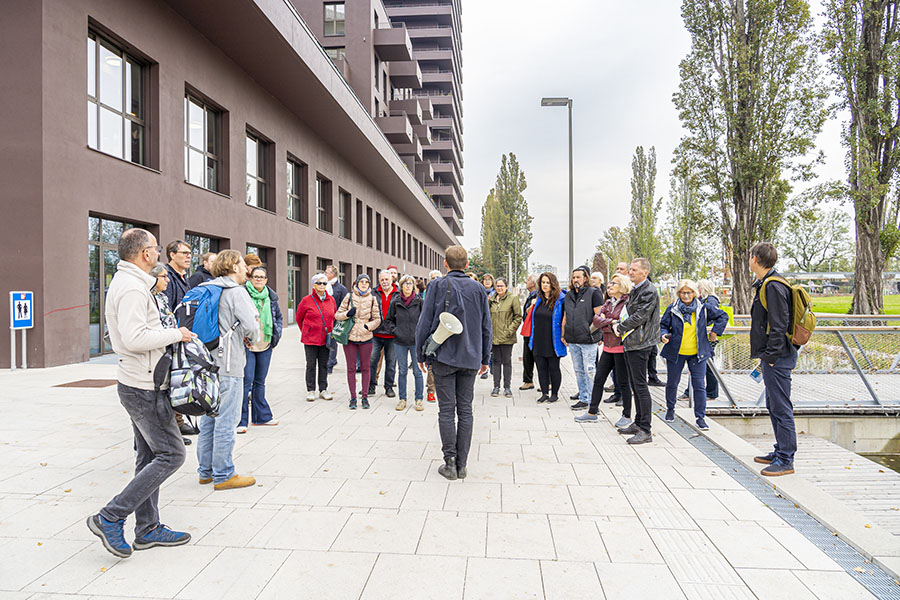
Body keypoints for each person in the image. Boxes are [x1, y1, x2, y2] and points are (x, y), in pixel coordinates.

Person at [88, 229, 193, 559]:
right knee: (172, 455)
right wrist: (176, 333)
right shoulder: (133, 287)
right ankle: (111, 516)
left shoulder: (134, 283)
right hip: (144, 386)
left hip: (141, 381)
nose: (159, 254)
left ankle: (147, 529)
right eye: (157, 249)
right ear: (145, 254)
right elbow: (134, 338)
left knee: (149, 457)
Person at [416, 245, 491, 481]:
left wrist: (420, 354)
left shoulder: (437, 285)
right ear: (467, 265)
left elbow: (424, 322)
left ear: (445, 264)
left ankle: (449, 462)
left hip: (443, 357)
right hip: (470, 358)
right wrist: (485, 358)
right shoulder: (479, 289)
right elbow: (486, 327)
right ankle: (463, 464)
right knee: (466, 409)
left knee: (446, 410)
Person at [196, 250, 261, 490]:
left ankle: (205, 471)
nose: (247, 269)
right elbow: (252, 327)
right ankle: (224, 474)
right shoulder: (236, 292)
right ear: (233, 266)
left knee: (209, 418)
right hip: (229, 363)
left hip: (206, 362)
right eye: (243, 264)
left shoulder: (208, 288)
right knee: (227, 419)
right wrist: (252, 337)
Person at [749, 242, 799, 476]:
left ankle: (786, 459)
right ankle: (780, 451)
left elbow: (779, 325)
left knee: (780, 406)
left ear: (755, 259)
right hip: (772, 356)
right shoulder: (765, 283)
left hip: (778, 357)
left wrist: (770, 356)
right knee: (773, 404)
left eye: (750, 256)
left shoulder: (774, 286)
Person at [659, 279, 729, 431]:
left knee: (699, 386)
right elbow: (663, 325)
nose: (686, 295)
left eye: (689, 292)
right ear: (679, 294)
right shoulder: (672, 309)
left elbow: (723, 316)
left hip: (697, 353)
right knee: (672, 383)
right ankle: (670, 410)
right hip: (676, 353)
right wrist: (663, 335)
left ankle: (700, 417)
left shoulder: (703, 308)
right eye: (683, 293)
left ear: (694, 293)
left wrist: (715, 332)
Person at [575, 273, 633, 428]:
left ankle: (627, 416)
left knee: (623, 383)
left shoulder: (627, 303)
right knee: (599, 379)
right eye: (610, 283)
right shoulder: (608, 302)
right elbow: (596, 320)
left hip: (621, 348)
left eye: (614, 283)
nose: (610, 286)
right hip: (608, 347)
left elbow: (624, 323)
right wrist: (612, 322)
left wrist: (611, 323)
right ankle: (592, 412)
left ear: (623, 286)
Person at [613, 258, 660, 445]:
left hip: (641, 343)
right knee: (635, 384)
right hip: (631, 342)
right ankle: (638, 422)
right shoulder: (636, 289)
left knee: (640, 386)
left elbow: (640, 316)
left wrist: (620, 326)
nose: (630, 272)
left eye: (634, 270)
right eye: (630, 269)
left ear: (645, 272)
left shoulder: (648, 290)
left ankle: (646, 430)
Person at [148, 264, 192, 446]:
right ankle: (162, 437)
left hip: (171, 347)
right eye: (163, 276)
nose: (167, 280)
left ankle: (176, 428)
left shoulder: (162, 297)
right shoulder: (147, 298)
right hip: (157, 354)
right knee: (159, 399)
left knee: (171, 391)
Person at [238, 266, 283, 433]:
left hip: (265, 344)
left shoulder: (270, 297)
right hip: (248, 345)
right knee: (246, 382)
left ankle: (261, 417)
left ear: (266, 280)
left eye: (261, 277)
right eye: (255, 276)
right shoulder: (243, 294)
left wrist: (276, 333)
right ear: (250, 278)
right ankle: (241, 421)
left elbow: (278, 316)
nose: (258, 279)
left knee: (260, 381)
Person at [335, 273, 381, 409]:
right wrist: (347, 314)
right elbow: (337, 315)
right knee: (351, 368)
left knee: (366, 368)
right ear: (356, 283)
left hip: (366, 337)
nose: (364, 284)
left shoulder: (373, 299)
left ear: (369, 285)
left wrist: (368, 326)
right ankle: (353, 397)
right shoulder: (349, 297)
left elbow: (377, 319)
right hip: (350, 337)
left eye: (367, 282)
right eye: (362, 281)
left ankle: (365, 397)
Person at [563, 266, 604, 410]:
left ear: (585, 278)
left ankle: (593, 401)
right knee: (578, 370)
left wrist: (591, 332)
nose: (575, 280)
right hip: (573, 339)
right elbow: (565, 316)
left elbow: (600, 317)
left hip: (588, 340)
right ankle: (583, 397)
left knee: (589, 370)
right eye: (573, 277)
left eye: (578, 277)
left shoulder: (594, 293)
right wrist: (564, 334)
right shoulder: (568, 295)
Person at [679, 279, 722, 403]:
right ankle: (692, 392)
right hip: (701, 337)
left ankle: (710, 392)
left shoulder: (711, 300)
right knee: (703, 365)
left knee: (707, 365)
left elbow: (715, 317)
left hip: (706, 337)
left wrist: (714, 331)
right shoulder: (702, 300)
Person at [386, 275, 424, 411]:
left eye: (410, 284)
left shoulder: (419, 301)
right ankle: (402, 399)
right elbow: (388, 320)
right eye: (405, 284)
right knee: (402, 371)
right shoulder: (395, 302)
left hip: (415, 342)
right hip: (400, 341)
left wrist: (421, 335)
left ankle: (419, 399)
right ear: (401, 286)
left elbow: (425, 320)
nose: (408, 286)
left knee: (417, 371)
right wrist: (395, 331)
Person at [296, 273, 336, 402]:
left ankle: (323, 389)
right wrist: (306, 330)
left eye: (325, 283)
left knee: (324, 364)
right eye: (319, 283)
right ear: (314, 285)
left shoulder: (331, 300)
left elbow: (334, 316)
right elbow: (299, 318)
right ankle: (311, 390)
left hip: (326, 338)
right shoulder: (306, 300)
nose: (322, 285)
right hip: (310, 338)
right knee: (311, 365)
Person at [529, 272, 567, 403]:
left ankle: (555, 393)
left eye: (547, 282)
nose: (545, 285)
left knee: (554, 367)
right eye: (543, 282)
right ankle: (544, 392)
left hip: (553, 339)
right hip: (538, 338)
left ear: (553, 284)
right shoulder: (538, 299)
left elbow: (564, 320)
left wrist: (564, 335)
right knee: (541, 367)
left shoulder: (560, 300)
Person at [488, 277, 522, 398]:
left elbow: (518, 317)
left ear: (506, 286)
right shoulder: (491, 300)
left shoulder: (513, 298)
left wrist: (509, 330)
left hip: (507, 336)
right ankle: (496, 386)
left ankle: (507, 387)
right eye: (497, 286)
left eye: (502, 286)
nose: (499, 288)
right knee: (496, 361)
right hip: (495, 336)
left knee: (506, 361)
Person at [368, 271, 398, 397]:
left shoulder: (399, 294)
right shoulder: (374, 293)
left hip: (392, 335)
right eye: (382, 280)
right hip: (376, 333)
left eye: (386, 279)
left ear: (391, 279)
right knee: (372, 361)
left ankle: (389, 387)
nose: (384, 282)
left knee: (391, 362)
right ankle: (370, 386)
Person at [324, 265, 348, 375]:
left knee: (332, 341)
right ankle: (330, 360)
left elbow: (344, 305)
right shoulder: (324, 286)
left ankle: (330, 363)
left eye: (326, 272)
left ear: (332, 274)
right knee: (325, 341)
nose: (325, 274)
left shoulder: (341, 289)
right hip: (324, 319)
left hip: (335, 320)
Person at [519, 274, 538, 390]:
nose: (526, 281)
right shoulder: (531, 295)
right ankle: (528, 380)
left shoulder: (537, 296)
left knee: (535, 356)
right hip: (528, 329)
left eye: (528, 280)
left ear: (533, 283)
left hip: (534, 330)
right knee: (527, 356)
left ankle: (546, 382)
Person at [162, 240, 191, 310]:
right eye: (185, 253)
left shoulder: (183, 276)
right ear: (172, 255)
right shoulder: (166, 276)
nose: (189, 256)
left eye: (190, 253)